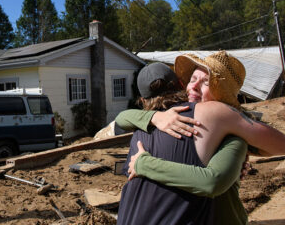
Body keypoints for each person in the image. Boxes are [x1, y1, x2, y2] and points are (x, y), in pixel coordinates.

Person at [117, 51, 285, 224]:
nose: (193, 87)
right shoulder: (168, 118)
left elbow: (212, 181)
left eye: (205, 82)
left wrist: (145, 163)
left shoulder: (226, 122)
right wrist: (154, 118)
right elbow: (122, 118)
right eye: (192, 79)